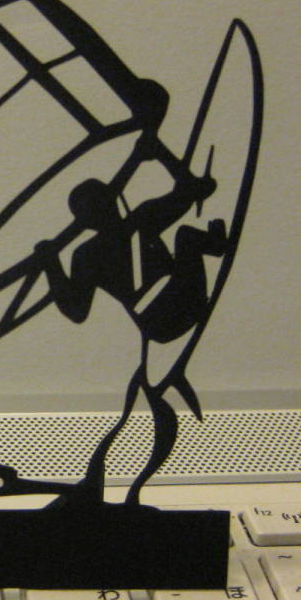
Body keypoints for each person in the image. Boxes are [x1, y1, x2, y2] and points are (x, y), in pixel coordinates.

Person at [35, 142, 229, 505]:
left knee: (185, 236)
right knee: (187, 236)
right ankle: (213, 242)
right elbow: (76, 310)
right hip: (173, 309)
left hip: (165, 314)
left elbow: (195, 189)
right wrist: (51, 263)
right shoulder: (131, 226)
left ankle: (215, 243)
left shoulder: (97, 247)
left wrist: (50, 263)